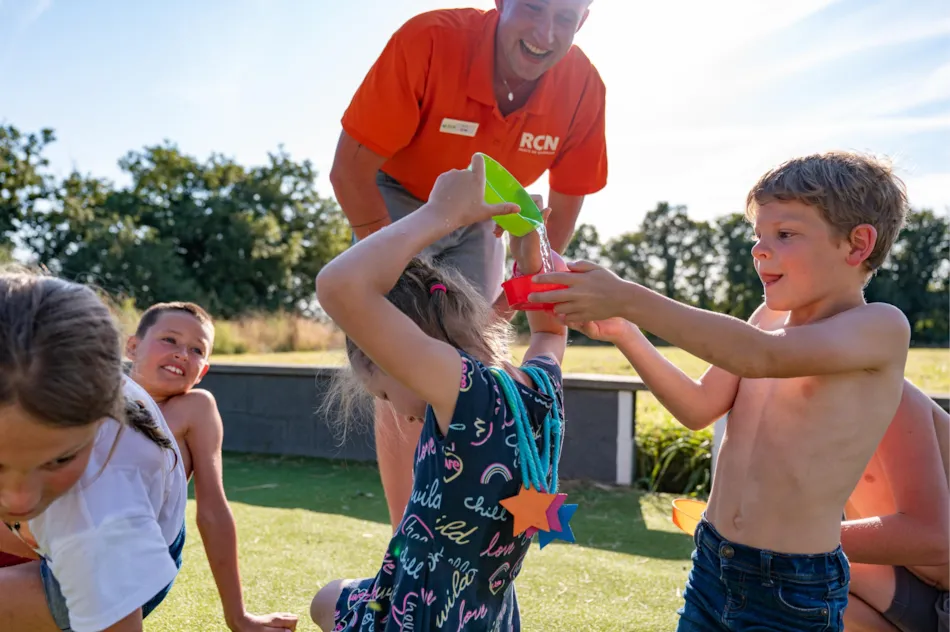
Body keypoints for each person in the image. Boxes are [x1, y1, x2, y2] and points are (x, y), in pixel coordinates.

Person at [531, 150, 912, 631]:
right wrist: (625, 330)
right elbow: (698, 407)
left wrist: (629, 295)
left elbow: (761, 356)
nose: (760, 249)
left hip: (793, 586)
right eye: (759, 236)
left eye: (785, 234)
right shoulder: (765, 320)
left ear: (857, 245)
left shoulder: (878, 327)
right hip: (713, 560)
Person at [331, 0, 607, 531]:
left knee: (475, 360)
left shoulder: (584, 87)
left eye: (565, 18)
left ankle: (462, 518)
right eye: (531, 7)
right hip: (394, 200)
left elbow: (563, 207)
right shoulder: (431, 40)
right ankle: (405, 537)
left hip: (487, 214)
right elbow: (349, 172)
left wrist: (525, 285)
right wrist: (394, 275)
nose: (545, 33)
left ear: (584, 20)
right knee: (400, 361)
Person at [309, 154, 568, 631]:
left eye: (383, 395)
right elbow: (550, 332)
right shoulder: (540, 391)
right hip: (487, 614)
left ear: (400, 356)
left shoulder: (460, 392)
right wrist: (530, 244)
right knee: (331, 598)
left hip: (421, 616)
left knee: (324, 602)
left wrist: (440, 213)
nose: (401, 416)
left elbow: (338, 284)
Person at [0, 270, 187, 632]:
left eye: (59, 459)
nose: (20, 499)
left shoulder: (97, 507)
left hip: (129, 562)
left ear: (104, 414)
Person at [125, 301, 299, 632]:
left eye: (196, 349)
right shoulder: (99, 397)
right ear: (133, 346)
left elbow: (213, 510)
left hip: (140, 560)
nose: (181, 354)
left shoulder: (194, 409)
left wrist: (238, 616)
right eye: (170, 340)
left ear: (203, 370)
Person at [842, 380, 949, 632]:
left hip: (936, 590)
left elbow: (933, 539)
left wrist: (791, 540)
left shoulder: (888, 397)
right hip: (915, 591)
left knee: (793, 560)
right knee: (794, 574)